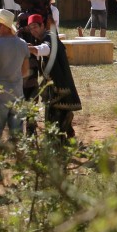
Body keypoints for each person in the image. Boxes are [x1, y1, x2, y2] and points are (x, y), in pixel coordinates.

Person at [0, 8, 30, 185]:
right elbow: (25, 72)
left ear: (2, 25)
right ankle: (21, 175)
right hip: (17, 94)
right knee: (18, 137)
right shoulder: (23, 44)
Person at [37, 12, 81, 140]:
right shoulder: (49, 36)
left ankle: (60, 134)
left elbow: (46, 48)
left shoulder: (48, 38)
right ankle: (67, 130)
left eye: (35, 27)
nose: (33, 30)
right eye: (31, 27)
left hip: (57, 81)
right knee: (56, 105)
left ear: (42, 25)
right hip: (54, 79)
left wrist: (32, 49)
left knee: (55, 107)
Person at [19, 13, 49, 135]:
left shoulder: (35, 37)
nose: (29, 28)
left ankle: (31, 131)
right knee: (25, 104)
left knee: (32, 103)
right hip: (23, 77)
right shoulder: (19, 36)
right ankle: (26, 131)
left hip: (32, 76)